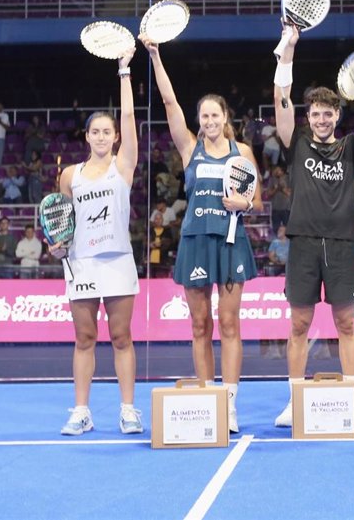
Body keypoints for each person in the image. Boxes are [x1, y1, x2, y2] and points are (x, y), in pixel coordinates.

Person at [141, 35, 262, 435]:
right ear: (199, 121)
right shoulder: (189, 148)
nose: (209, 122)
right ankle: (207, 396)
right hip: (195, 242)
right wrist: (156, 57)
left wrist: (241, 205)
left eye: (215, 116)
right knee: (199, 326)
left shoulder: (241, 152)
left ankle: (228, 404)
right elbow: (170, 103)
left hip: (229, 242)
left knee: (230, 325)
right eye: (204, 116)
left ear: (225, 117)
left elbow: (257, 202)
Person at [271, 22, 354, 428]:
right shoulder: (296, 141)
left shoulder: (349, 146)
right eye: (315, 114)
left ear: (338, 115)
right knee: (299, 324)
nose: (321, 119)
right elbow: (281, 97)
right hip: (303, 243)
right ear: (309, 116)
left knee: (346, 323)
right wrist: (287, 50)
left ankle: (353, 394)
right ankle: (294, 399)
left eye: (327, 113)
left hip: (340, 243)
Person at [49, 45, 143, 436]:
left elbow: (129, 114)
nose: (102, 135)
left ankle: (128, 409)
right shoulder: (70, 176)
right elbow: (63, 222)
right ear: (87, 137)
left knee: (121, 337)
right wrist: (57, 245)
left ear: (115, 136)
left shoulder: (124, 166)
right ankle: (82, 411)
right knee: (84, 337)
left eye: (108, 131)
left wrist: (124, 72)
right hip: (82, 263)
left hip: (118, 261)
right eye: (96, 131)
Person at [148, 211, 174, 277]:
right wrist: (150, 244)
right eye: (156, 219)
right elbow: (145, 242)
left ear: (162, 220)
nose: (158, 220)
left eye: (160, 219)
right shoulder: (149, 231)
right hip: (150, 262)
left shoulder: (167, 231)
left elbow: (170, 243)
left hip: (163, 261)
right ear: (154, 220)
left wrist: (161, 244)